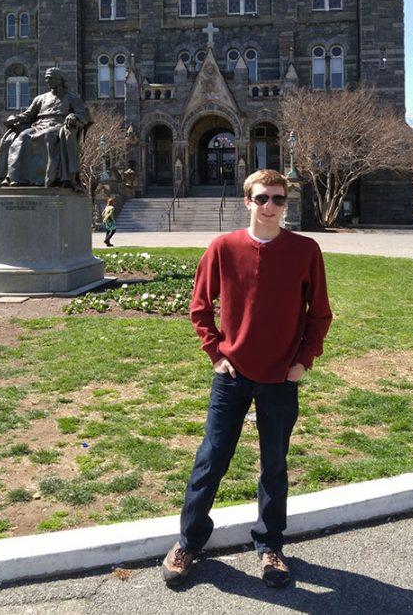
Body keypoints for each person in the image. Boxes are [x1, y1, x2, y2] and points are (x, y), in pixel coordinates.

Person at [162, 168, 333, 589]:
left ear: (285, 204)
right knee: (211, 460)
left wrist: (302, 361)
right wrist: (216, 352)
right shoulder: (224, 247)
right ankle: (189, 542)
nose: (270, 206)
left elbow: (320, 314)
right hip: (233, 375)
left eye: (278, 199)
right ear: (247, 201)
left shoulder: (305, 250)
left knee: (274, 465)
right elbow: (200, 307)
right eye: (262, 198)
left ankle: (270, 546)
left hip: (281, 377)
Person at [0, 68, 92, 190]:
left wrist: (73, 115)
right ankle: (15, 178)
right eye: (46, 78)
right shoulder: (40, 98)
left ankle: (51, 179)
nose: (47, 80)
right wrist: (15, 118)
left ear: (60, 79)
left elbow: (83, 114)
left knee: (49, 136)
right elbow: (28, 114)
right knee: (23, 137)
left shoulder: (72, 98)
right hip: (39, 126)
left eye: (50, 77)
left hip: (58, 125)